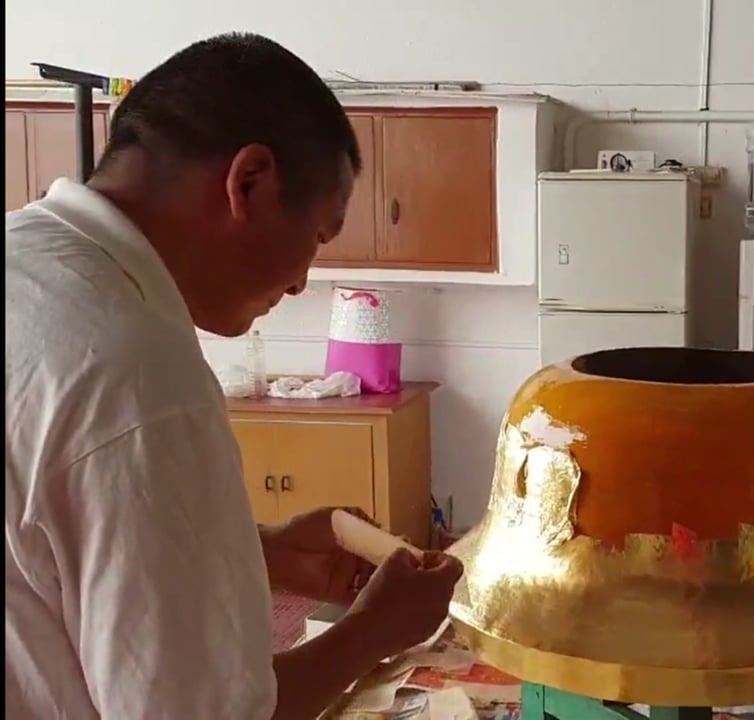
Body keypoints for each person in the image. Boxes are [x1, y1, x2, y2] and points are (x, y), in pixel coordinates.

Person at [5, 33, 462, 718]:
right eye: (317, 234)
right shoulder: (137, 377)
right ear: (249, 182)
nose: (304, 280)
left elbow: (42, 546)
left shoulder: (25, 265)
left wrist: (256, 552)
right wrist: (375, 631)